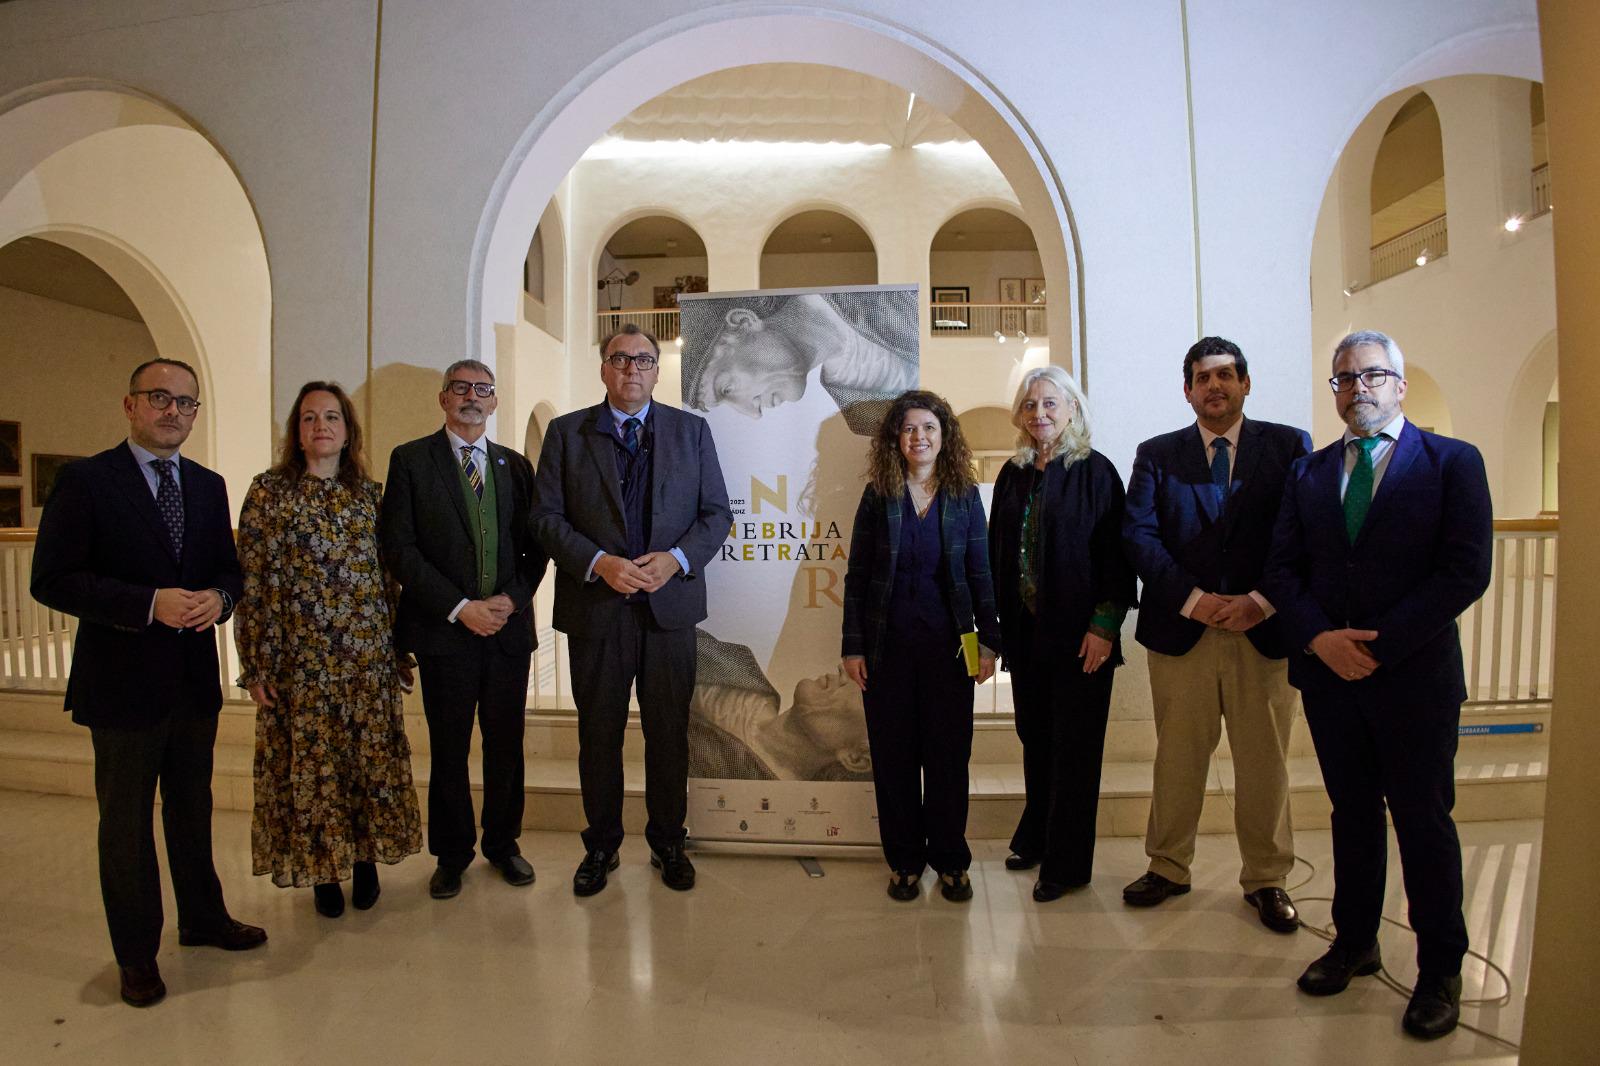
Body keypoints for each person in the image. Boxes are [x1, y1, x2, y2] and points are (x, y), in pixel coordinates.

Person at [1263, 330, 1492, 1041]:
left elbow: (1465, 570)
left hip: (1415, 680)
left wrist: (1381, 647)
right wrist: (1321, 640)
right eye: (1344, 380)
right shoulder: (1308, 473)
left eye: (1370, 376)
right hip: (1331, 679)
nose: (1356, 389)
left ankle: (1439, 970)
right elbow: (1281, 572)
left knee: (1424, 824)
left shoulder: (1452, 462)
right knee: (1351, 816)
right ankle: (1355, 942)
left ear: (1399, 384)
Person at [30, 358, 266, 1008]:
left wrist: (222, 598)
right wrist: (146, 603)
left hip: (193, 680)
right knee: (127, 824)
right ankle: (136, 955)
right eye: (159, 397)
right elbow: (50, 579)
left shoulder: (209, 485)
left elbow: (229, 569)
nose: (173, 411)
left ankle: (203, 918)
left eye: (186, 403)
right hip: (122, 683)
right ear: (130, 405)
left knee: (192, 809)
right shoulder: (85, 481)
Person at [531, 324, 732, 896]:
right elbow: (544, 519)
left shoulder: (692, 432)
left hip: (668, 611)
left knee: (669, 733)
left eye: (644, 360)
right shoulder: (567, 434)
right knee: (599, 734)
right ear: (604, 368)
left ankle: (669, 841)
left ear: (656, 370)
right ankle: (601, 846)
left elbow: (716, 514)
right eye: (621, 359)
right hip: (597, 611)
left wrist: (674, 560)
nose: (633, 370)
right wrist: (599, 562)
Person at [1120, 338, 1311, 931]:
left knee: (1265, 764)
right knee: (1177, 759)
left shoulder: (1289, 447)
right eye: (1203, 378)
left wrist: (1260, 601)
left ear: (1246, 383)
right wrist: (1196, 600)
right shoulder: (1157, 454)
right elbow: (1139, 537)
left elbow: (1303, 533)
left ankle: (1268, 878)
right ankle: (1168, 866)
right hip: (1183, 634)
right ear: (1188, 390)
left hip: (1265, 631)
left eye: (1226, 375)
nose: (1215, 387)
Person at [234, 381, 423, 918]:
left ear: (348, 431)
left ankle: (363, 863)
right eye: (310, 417)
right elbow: (253, 580)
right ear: (297, 430)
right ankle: (322, 873)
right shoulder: (269, 492)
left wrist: (398, 651)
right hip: (301, 663)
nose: (321, 426)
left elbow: (389, 579)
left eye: (332, 417)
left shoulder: (369, 495)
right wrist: (256, 663)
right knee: (315, 772)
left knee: (364, 768)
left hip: (365, 660)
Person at [379, 359, 545, 901]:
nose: (472, 397)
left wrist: (510, 600)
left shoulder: (515, 466)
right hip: (443, 633)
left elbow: (535, 548)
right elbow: (399, 547)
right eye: (461, 388)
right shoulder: (410, 461)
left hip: (506, 631)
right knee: (449, 748)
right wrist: (458, 607)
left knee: (506, 745)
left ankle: (503, 844)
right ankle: (451, 855)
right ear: (444, 398)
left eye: (483, 390)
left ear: (494, 402)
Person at [841, 389, 1001, 904]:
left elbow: (981, 575)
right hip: (886, 654)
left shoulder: (964, 495)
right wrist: (853, 648)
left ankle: (952, 860)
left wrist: (988, 646)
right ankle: (905, 862)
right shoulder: (878, 494)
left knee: (949, 760)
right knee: (895, 761)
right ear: (896, 439)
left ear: (944, 436)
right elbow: (858, 576)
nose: (919, 437)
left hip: (951, 653)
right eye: (910, 429)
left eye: (929, 428)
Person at [988, 366, 1135, 901]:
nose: (1040, 413)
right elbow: (995, 553)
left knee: (1075, 749)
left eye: (1051, 403)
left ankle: (1068, 864)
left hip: (1082, 638)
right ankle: (1038, 835)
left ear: (1072, 409)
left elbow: (1118, 559)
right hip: (1028, 638)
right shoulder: (1013, 474)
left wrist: (1104, 627)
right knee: (1036, 739)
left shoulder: (1096, 472)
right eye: (1030, 405)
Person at [681, 291, 917, 435]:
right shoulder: (860, 419)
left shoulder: (892, 298)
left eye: (727, 388)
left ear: (744, 321)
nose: (754, 413)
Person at [689, 629, 872, 782]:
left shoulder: (756, 787)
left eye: (865, 683)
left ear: (856, 759)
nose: (842, 669)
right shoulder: (745, 675)